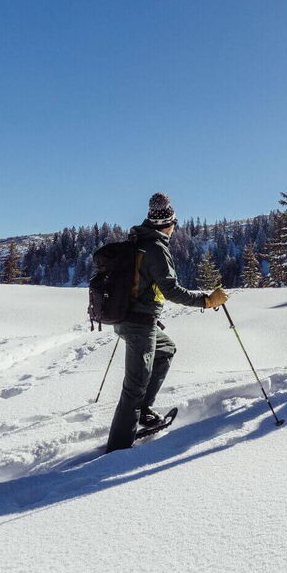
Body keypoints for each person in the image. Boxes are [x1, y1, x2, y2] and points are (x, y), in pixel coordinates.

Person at [106, 193, 228, 452]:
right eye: (175, 223)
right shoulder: (156, 248)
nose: (175, 228)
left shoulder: (139, 239)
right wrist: (206, 301)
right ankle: (117, 450)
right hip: (139, 323)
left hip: (132, 317)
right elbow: (171, 290)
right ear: (169, 223)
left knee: (165, 350)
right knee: (134, 387)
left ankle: (142, 412)